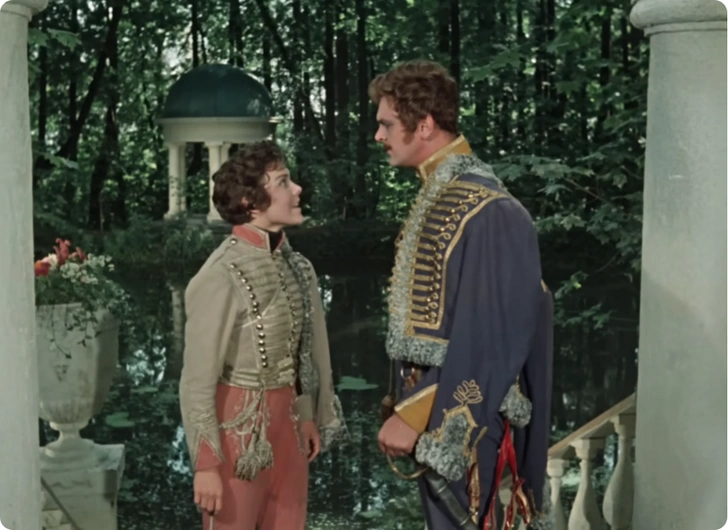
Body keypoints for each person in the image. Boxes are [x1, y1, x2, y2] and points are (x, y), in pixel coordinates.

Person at [372, 60, 554, 529]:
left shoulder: (492, 210)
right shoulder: (444, 194)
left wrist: (415, 416)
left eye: (387, 124)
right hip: (434, 418)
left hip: (470, 424)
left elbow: (493, 338)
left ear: (424, 124)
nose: (378, 135)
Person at [179, 140, 348, 530]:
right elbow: (196, 381)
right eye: (283, 182)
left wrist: (308, 415)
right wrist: (206, 465)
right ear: (249, 201)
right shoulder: (220, 274)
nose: (297, 189)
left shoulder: (300, 267)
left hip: (289, 428)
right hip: (237, 435)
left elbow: (306, 354)